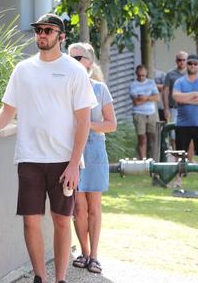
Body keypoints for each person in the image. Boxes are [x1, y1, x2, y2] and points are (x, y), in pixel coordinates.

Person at [0, 13, 97, 283]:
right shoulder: (23, 70)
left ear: (61, 36)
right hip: (29, 158)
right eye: (38, 30)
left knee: (60, 220)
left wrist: (74, 163)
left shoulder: (74, 71)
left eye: (48, 30)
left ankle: (59, 279)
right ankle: (40, 277)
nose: (42, 34)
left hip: (63, 160)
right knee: (30, 221)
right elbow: (7, 110)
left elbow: (84, 121)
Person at [68, 43, 117, 275]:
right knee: (78, 206)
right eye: (71, 57)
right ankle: (84, 253)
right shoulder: (64, 88)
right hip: (72, 153)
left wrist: (87, 125)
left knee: (94, 206)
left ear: (90, 61)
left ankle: (94, 256)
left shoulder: (100, 89)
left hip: (95, 151)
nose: (75, 60)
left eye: (80, 57)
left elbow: (111, 124)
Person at [172, 54, 198, 188]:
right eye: (190, 63)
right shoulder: (179, 82)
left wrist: (187, 99)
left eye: (195, 64)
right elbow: (177, 97)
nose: (192, 66)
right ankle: (178, 180)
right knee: (180, 154)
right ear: (186, 65)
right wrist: (195, 94)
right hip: (183, 124)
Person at [129, 65, 160, 159]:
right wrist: (150, 97)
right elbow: (136, 102)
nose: (141, 77)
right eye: (139, 75)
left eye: (143, 75)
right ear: (136, 74)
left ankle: (153, 158)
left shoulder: (151, 83)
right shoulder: (133, 85)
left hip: (151, 114)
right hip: (139, 114)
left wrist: (145, 97)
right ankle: (143, 158)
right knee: (142, 137)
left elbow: (157, 97)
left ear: (146, 74)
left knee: (152, 137)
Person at [163, 51, 188, 150]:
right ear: (176, 61)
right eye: (179, 60)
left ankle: (187, 157)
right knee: (174, 134)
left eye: (183, 60)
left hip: (188, 108)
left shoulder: (191, 73)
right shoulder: (170, 74)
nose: (181, 62)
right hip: (174, 108)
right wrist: (166, 108)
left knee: (187, 133)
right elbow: (165, 91)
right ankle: (176, 156)